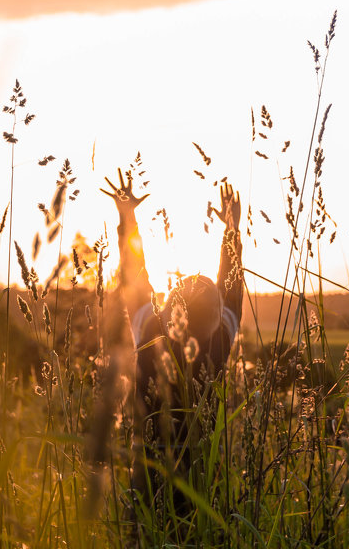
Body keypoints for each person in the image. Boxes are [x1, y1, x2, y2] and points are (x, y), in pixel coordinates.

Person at [90, 167, 244, 534]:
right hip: (205, 486)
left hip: (147, 483)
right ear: (213, 319)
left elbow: (135, 275)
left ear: (168, 311)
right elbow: (232, 286)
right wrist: (230, 230)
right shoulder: (218, 343)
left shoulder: (150, 332)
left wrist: (127, 219)